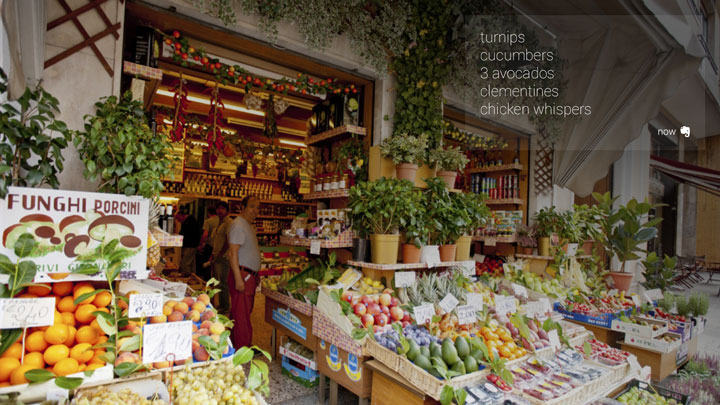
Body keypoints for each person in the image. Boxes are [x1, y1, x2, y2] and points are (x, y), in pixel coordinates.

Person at [227, 195, 261, 349]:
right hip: (242, 275)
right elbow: (232, 253)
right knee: (241, 315)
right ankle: (243, 349)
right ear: (242, 207)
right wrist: (238, 278)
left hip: (248, 275)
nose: (255, 210)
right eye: (252, 206)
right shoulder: (238, 225)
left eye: (258, 207)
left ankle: (235, 344)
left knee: (240, 313)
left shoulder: (248, 225)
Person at [208, 201, 232, 313]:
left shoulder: (229, 222)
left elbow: (228, 240)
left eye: (223, 208)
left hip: (224, 258)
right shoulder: (219, 222)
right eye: (218, 208)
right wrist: (213, 255)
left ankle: (225, 306)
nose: (220, 211)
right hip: (217, 256)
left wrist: (221, 254)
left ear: (227, 211)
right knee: (218, 282)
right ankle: (221, 305)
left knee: (223, 283)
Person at [175, 205, 201, 275]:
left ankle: (186, 277)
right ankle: (192, 277)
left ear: (182, 215)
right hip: (191, 245)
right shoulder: (189, 221)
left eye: (178, 218)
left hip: (190, 245)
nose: (178, 221)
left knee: (184, 263)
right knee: (191, 263)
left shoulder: (190, 221)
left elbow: (187, 234)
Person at [197, 207, 219, 280]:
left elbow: (205, 234)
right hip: (218, 246)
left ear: (208, 213)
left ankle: (207, 281)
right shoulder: (220, 221)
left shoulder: (208, 221)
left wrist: (201, 244)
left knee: (207, 264)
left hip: (209, 245)